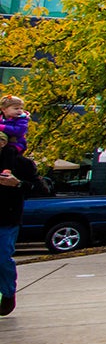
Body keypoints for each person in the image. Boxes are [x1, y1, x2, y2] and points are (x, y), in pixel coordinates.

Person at [0, 130, 40, 316]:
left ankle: (8, 292)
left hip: (6, 218)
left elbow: (41, 188)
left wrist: (18, 184)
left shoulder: (21, 164)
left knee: (2, 257)